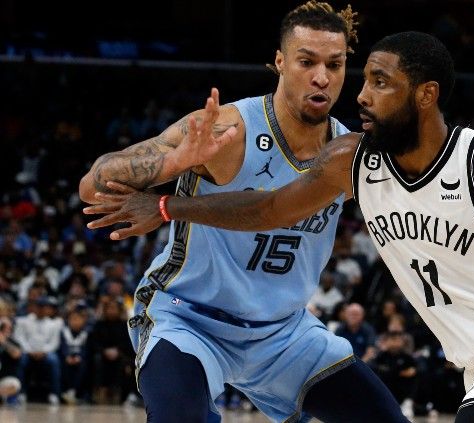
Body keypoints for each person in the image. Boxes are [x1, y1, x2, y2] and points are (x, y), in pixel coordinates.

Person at [83, 32, 474, 423]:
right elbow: (266, 210)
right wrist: (168, 206)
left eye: (379, 82)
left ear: (426, 94)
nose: (359, 95)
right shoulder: (352, 162)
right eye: (361, 79)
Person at [79, 2, 411, 422]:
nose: (322, 77)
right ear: (279, 62)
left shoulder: (348, 156)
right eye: (306, 61)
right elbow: (91, 186)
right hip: (189, 318)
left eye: (335, 64)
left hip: (283, 332)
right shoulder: (229, 129)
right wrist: (175, 163)